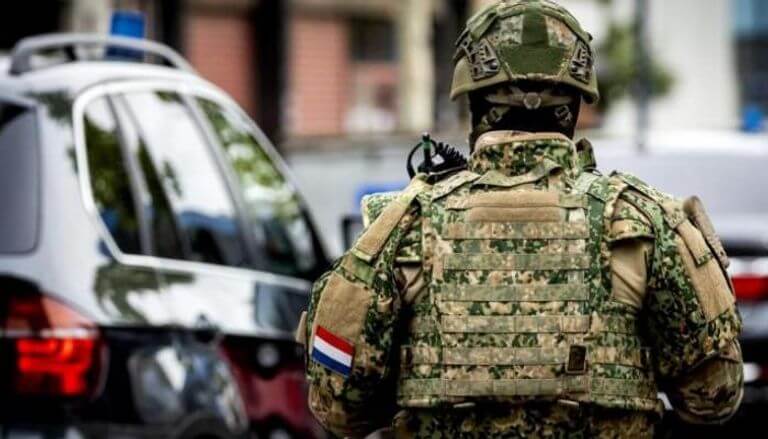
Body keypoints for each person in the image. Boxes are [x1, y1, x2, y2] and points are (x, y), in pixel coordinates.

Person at [298, 1, 743, 437]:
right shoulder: (645, 221)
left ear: (474, 102)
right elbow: (715, 395)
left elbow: (337, 407)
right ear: (575, 105)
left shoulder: (402, 226)